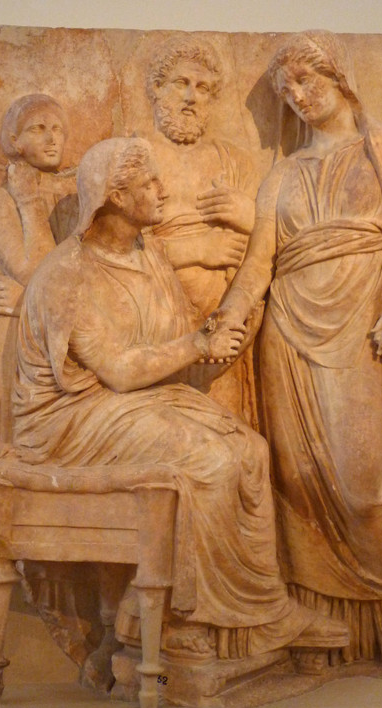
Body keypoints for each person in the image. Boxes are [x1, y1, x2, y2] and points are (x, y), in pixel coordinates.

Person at [11, 137, 349, 681]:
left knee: (248, 450)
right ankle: (187, 623)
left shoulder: (148, 257)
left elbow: (170, 360)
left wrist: (227, 336)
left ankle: (260, 613)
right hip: (64, 420)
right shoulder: (67, 275)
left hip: (128, 403)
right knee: (208, 460)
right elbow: (119, 371)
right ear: (115, 196)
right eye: (149, 183)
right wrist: (196, 344)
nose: (162, 191)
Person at [212, 31, 382, 675]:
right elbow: (258, 264)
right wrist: (227, 318)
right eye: (287, 89)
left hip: (363, 329)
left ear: (339, 77)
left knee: (365, 484)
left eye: (307, 80)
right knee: (299, 485)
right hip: (287, 335)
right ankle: (317, 630)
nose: (298, 96)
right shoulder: (283, 174)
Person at [142, 34, 259, 424]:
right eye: (182, 83)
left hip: (225, 328)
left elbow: (269, 250)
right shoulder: (133, 156)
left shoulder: (233, 161)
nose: (192, 97)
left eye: (203, 88)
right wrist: (197, 249)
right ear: (156, 89)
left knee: (227, 436)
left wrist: (251, 216)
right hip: (154, 329)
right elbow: (103, 252)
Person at [0, 93, 77, 460]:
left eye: (58, 130)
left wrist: (24, 295)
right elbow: (38, 272)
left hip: (59, 333)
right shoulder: (1, 201)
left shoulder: (69, 196)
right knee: (9, 448)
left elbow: (74, 276)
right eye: (38, 129)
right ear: (15, 141)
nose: (52, 139)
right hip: (15, 335)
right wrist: (26, 200)